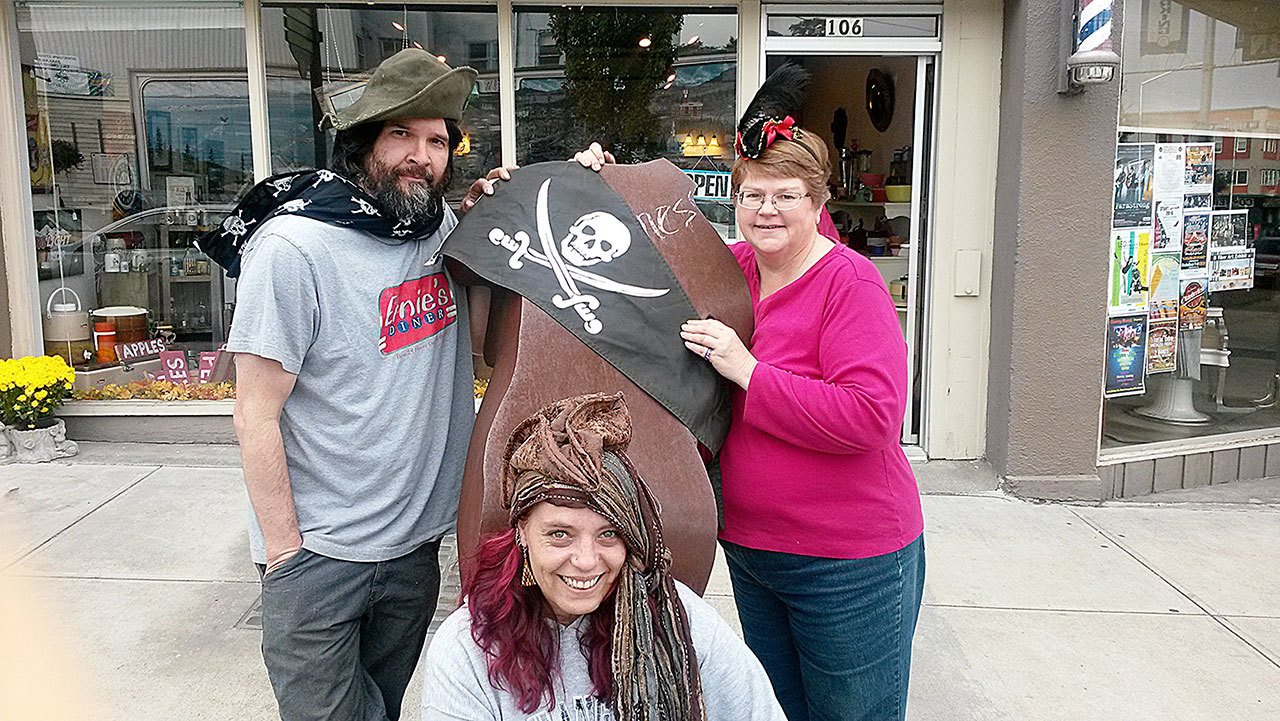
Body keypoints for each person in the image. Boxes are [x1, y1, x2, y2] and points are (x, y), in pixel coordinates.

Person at [223, 47, 606, 720]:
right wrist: (285, 555)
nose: (420, 156)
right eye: (401, 134)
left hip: (413, 550)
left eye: (436, 141)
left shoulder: (443, 232)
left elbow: (486, 346)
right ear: (363, 143)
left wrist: (555, 194)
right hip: (319, 556)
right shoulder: (294, 248)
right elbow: (255, 413)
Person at [678, 65, 926, 721]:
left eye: (785, 195)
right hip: (754, 553)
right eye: (752, 194)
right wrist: (596, 179)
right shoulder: (731, 271)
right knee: (779, 711)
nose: (766, 210)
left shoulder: (851, 284)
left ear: (818, 204)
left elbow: (871, 416)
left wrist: (749, 371)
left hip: (847, 562)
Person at [419, 393, 788, 721]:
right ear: (522, 533)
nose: (585, 560)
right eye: (559, 534)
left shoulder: (678, 619)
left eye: (608, 534)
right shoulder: (469, 647)